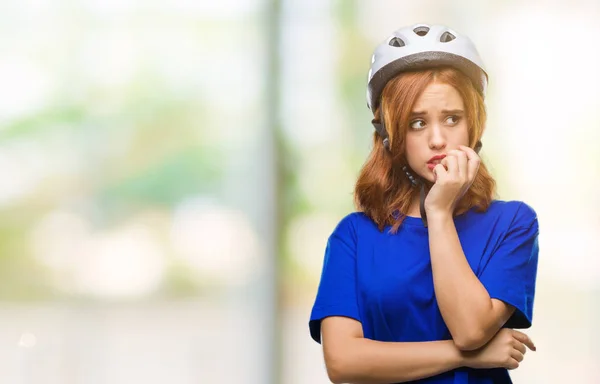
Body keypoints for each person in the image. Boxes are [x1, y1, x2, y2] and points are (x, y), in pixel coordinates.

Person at [308, 24, 540, 384]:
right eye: (417, 123)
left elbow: (470, 329)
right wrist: (470, 357)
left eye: (452, 119)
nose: (437, 139)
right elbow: (343, 362)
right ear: (390, 135)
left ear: (473, 125)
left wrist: (439, 210)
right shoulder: (354, 235)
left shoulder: (513, 223)